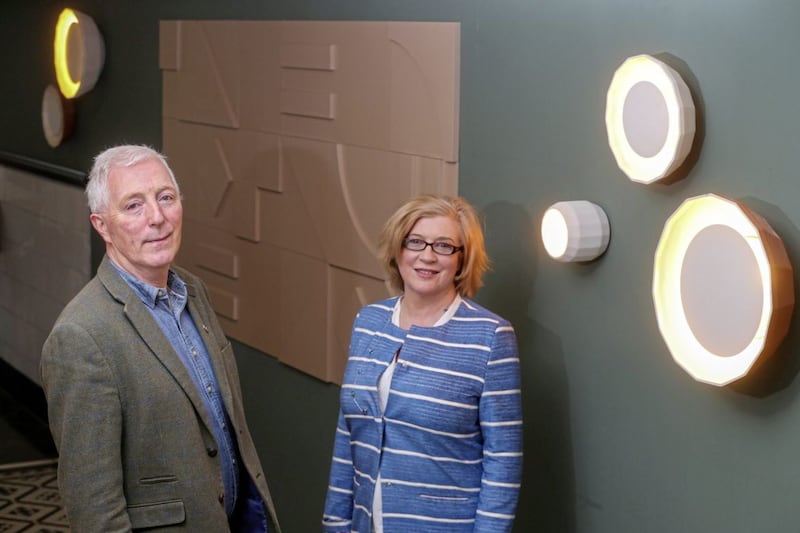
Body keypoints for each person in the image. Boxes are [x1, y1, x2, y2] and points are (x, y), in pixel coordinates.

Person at [40, 145, 281, 532]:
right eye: (133, 205)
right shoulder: (81, 337)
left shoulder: (193, 292)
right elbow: (93, 508)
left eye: (166, 197)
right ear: (102, 225)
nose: (158, 218)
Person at [322, 194, 523, 532]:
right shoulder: (369, 321)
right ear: (397, 249)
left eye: (444, 246)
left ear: (462, 259)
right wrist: (336, 523)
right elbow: (348, 434)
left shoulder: (490, 336)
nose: (427, 256)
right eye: (415, 241)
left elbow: (503, 461)